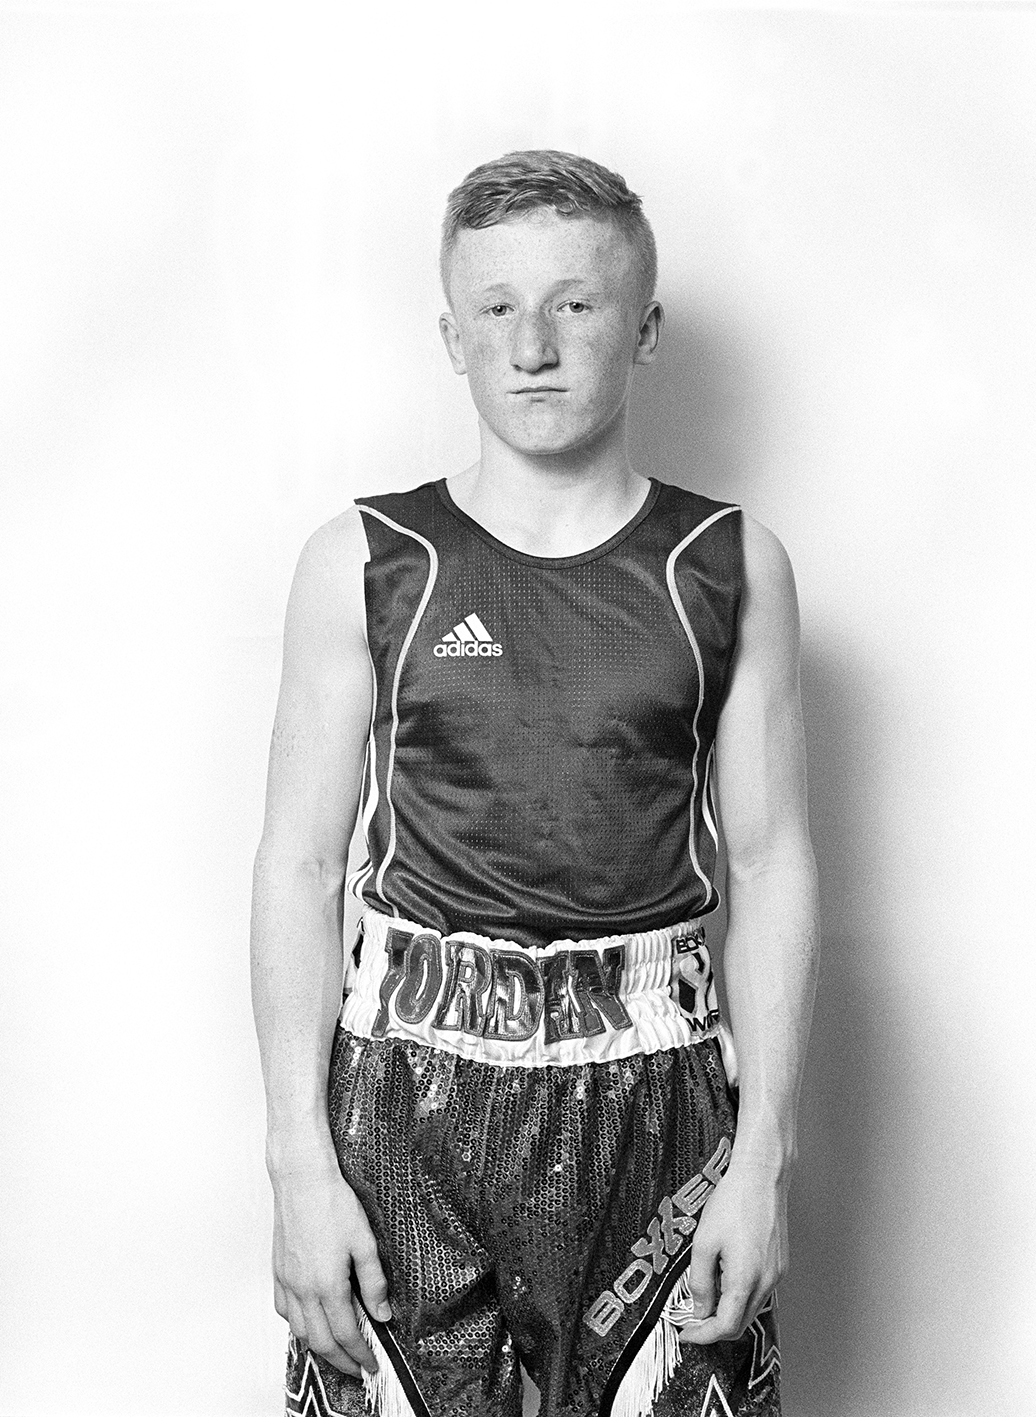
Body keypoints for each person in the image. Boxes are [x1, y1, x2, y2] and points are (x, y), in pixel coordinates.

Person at [251, 149, 819, 1417]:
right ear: (451, 336)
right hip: (408, 1096)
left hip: (657, 1097)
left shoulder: (728, 563)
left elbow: (772, 858)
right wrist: (298, 1162)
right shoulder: (366, 559)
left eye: (575, 304)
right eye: (497, 308)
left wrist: (764, 1159)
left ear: (644, 329)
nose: (534, 347)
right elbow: (298, 863)